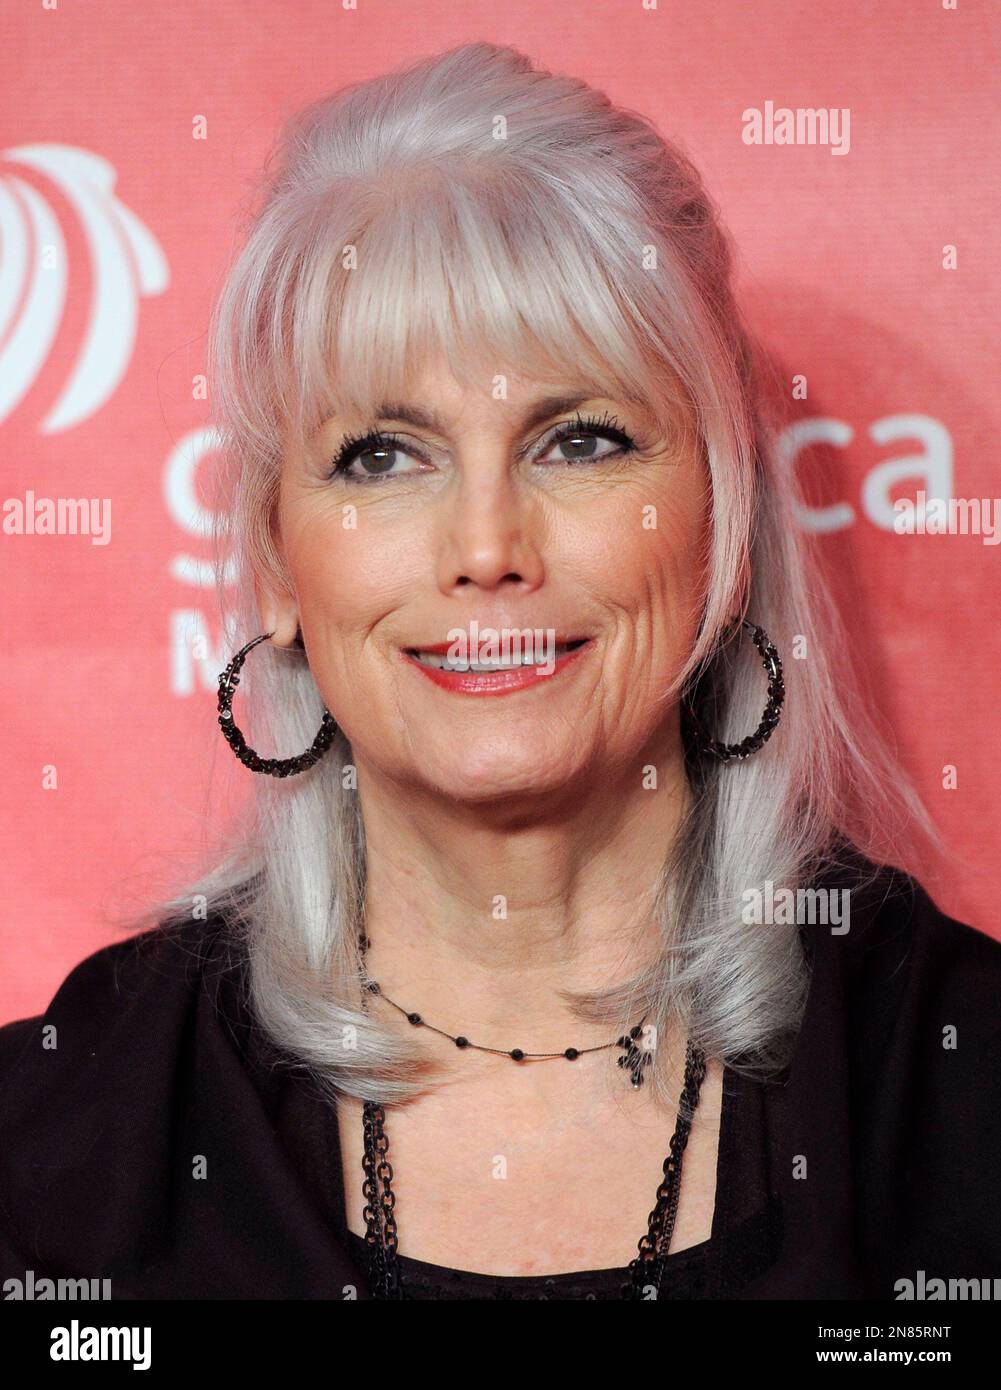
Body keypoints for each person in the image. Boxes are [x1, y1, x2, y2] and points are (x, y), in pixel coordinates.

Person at [2, 40, 999, 1302]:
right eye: (381, 456)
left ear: (720, 522)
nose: (485, 548)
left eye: (578, 440)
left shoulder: (955, 1092)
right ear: (275, 563)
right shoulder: (58, 1146)